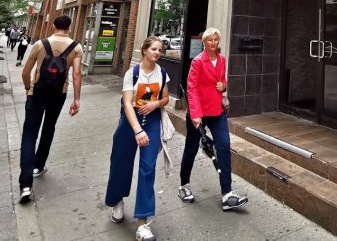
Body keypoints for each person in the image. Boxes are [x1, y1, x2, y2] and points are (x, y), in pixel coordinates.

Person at [105, 36, 169, 241]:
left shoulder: (163, 73)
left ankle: (143, 223)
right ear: (144, 50)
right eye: (154, 49)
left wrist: (156, 104)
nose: (157, 53)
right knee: (120, 164)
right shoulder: (132, 73)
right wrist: (136, 130)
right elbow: (127, 104)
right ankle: (117, 201)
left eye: (160, 50)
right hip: (130, 123)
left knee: (148, 169)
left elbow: (166, 98)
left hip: (151, 122)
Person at [178, 28, 247, 211]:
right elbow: (191, 88)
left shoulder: (222, 59)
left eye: (216, 39)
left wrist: (223, 86)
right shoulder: (198, 62)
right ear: (204, 42)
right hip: (198, 113)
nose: (213, 43)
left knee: (224, 146)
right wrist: (196, 114)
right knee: (190, 149)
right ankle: (184, 185)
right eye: (210, 40)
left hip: (217, 111)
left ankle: (227, 194)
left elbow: (222, 82)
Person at [18, 15, 82, 204]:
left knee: (29, 134)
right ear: (69, 28)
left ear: (54, 26)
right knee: (49, 128)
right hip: (58, 94)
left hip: (36, 92)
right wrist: (77, 98)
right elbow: (77, 74)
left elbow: (25, 72)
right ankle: (39, 165)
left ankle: (26, 184)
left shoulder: (40, 44)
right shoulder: (75, 48)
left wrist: (27, 88)